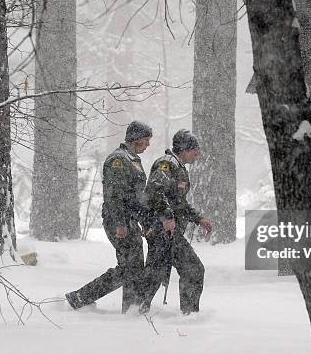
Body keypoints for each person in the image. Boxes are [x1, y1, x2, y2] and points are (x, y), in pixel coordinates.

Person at [65, 121, 152, 313]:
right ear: (136, 139)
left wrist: (143, 221)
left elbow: (136, 197)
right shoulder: (118, 160)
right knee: (128, 267)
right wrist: (120, 223)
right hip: (118, 221)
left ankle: (132, 307)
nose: (147, 145)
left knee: (134, 266)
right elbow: (114, 195)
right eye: (145, 140)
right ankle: (81, 297)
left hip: (130, 220)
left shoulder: (133, 160)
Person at [139, 129, 213, 315]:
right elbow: (155, 191)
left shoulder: (178, 167)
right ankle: (189, 314)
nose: (198, 154)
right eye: (195, 150)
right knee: (193, 269)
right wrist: (168, 217)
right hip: (162, 230)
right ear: (184, 149)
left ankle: (137, 309)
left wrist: (199, 219)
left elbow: (179, 203)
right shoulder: (167, 164)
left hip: (165, 231)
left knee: (154, 272)